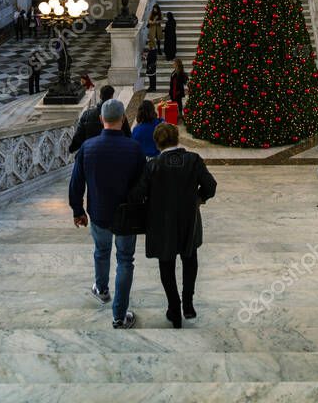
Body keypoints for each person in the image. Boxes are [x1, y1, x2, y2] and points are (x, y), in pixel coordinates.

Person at [69, 98, 146, 329]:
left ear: (102, 119)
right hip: (126, 216)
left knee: (101, 251)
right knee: (125, 260)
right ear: (123, 119)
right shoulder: (134, 148)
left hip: (98, 213)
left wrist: (78, 211)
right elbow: (143, 185)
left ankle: (102, 290)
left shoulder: (88, 147)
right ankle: (119, 316)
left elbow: (76, 183)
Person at [130, 122, 217, 327]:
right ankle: (188, 303)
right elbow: (211, 186)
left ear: (157, 143)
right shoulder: (193, 160)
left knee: (166, 265)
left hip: (162, 224)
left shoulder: (153, 165)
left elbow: (137, 195)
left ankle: (174, 308)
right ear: (177, 138)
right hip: (189, 220)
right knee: (190, 259)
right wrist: (199, 199)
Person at [69, 85, 131, 153]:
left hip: (91, 152)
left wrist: (72, 148)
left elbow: (78, 137)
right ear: (112, 96)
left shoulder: (87, 115)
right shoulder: (119, 115)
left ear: (100, 96)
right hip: (115, 151)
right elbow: (128, 135)